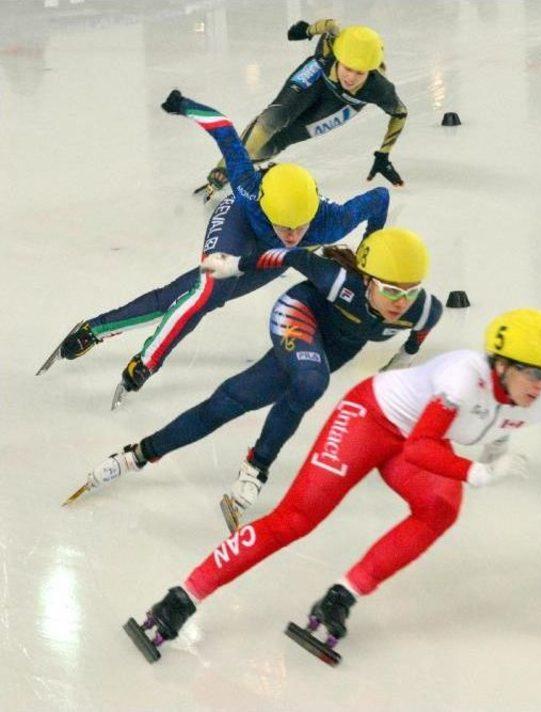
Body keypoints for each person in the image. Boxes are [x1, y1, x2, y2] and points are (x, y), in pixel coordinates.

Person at [122, 308, 541, 664]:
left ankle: (340, 598)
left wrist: (495, 446)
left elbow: (498, 419)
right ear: (502, 365)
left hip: (415, 439)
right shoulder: (463, 377)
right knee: (296, 519)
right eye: (533, 373)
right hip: (371, 419)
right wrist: (481, 472)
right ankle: (182, 597)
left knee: (440, 510)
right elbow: (420, 449)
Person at [69, 228, 442, 534]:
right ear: (365, 279)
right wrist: (235, 266)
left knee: (229, 402)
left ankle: (137, 454)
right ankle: (257, 468)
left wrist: (405, 356)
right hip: (298, 316)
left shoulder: (423, 309)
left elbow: (422, 327)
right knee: (312, 382)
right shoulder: (337, 280)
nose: (400, 302)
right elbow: (290, 256)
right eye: (391, 290)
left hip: (334, 346)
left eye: (409, 292)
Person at [38, 91, 389, 402]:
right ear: (267, 208)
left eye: (301, 227)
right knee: (207, 294)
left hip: (270, 255)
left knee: (190, 295)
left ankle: (93, 328)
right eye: (285, 227)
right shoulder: (249, 190)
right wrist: (185, 106)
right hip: (239, 221)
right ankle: (148, 360)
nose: (293, 235)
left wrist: (367, 252)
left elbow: (380, 199)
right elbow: (224, 131)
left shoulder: (331, 222)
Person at [195, 21, 407, 203]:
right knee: (274, 117)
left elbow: (400, 114)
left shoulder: (380, 89)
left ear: (370, 71)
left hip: (344, 103)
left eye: (359, 72)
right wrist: (307, 30)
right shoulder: (328, 50)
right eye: (347, 67)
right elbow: (331, 25)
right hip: (316, 76)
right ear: (338, 57)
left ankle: (243, 155)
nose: (350, 77)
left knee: (278, 141)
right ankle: (224, 168)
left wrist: (383, 153)